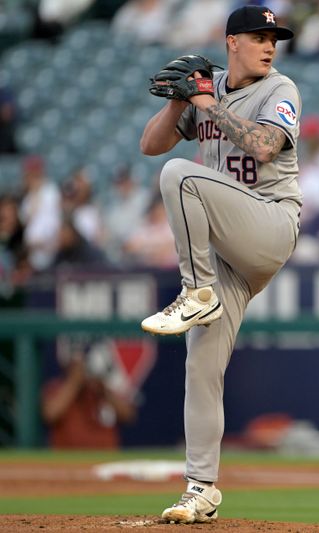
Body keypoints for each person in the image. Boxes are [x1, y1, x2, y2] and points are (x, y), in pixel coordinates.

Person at [138, 6, 301, 524]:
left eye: (274, 37)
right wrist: (181, 102)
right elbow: (150, 143)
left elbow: (264, 146)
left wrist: (206, 102)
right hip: (230, 252)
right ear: (232, 42)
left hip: (270, 224)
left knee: (179, 176)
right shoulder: (211, 90)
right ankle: (201, 488)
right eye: (258, 36)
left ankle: (196, 291)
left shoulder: (280, 89)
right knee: (202, 367)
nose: (269, 44)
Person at [41, 345, 136, 449]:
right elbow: (50, 414)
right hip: (69, 459)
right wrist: (74, 381)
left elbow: (129, 415)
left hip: (104, 457)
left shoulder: (104, 388)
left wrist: (103, 391)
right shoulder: (57, 387)